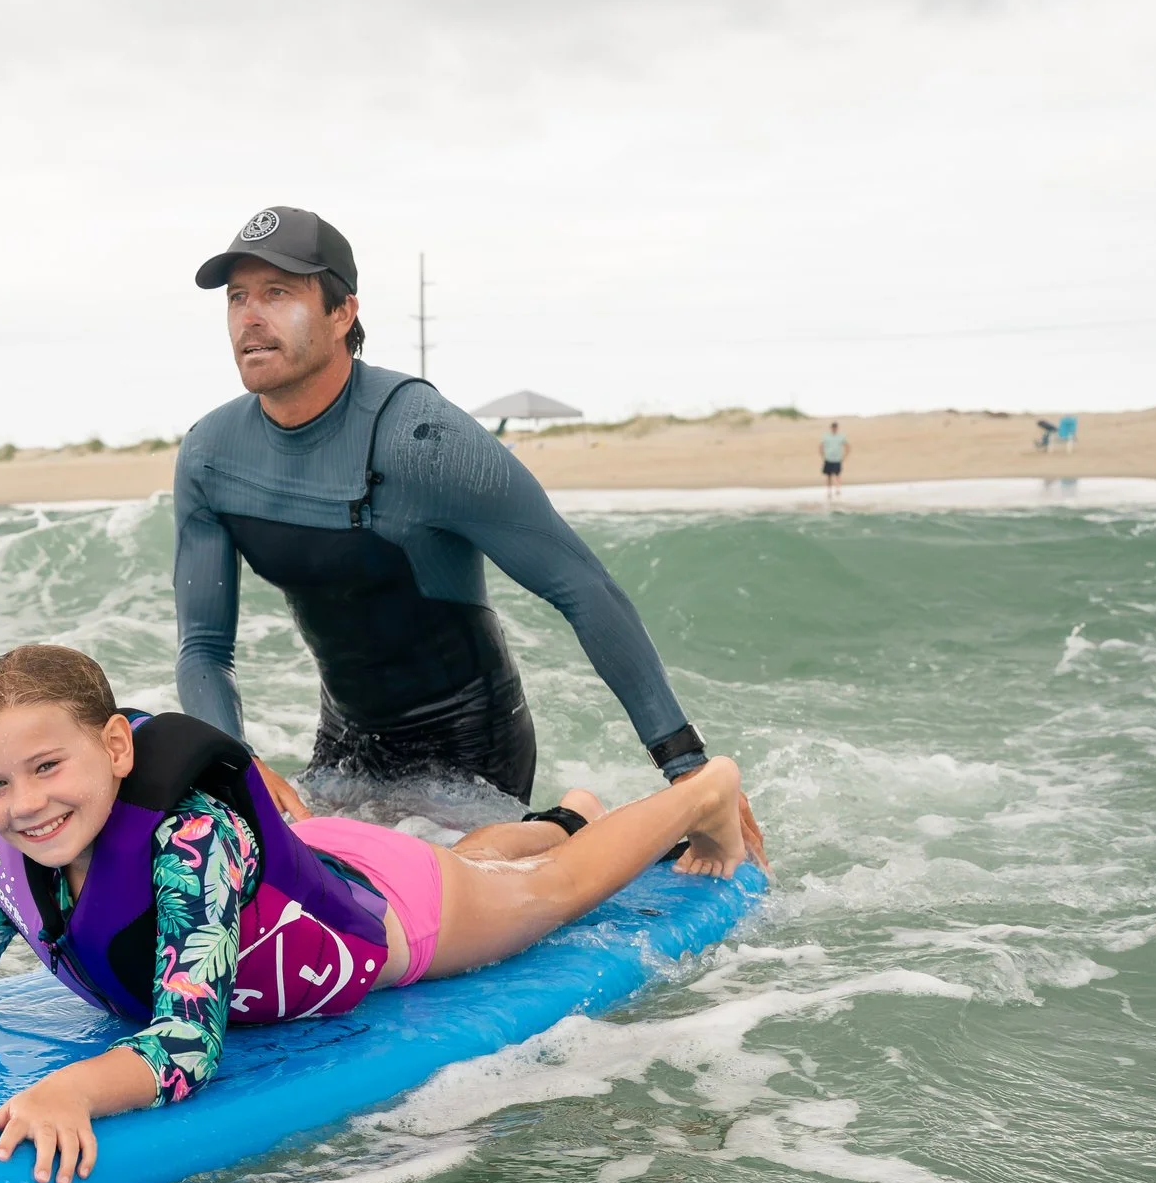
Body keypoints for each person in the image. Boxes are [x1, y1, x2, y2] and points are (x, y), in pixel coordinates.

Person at [0, 645, 755, 1183]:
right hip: (312, 870)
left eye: (46, 766)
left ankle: (699, 790)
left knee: (547, 897)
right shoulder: (11, 848)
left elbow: (185, 1047)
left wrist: (71, 1085)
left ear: (114, 749)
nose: (24, 802)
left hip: (391, 921)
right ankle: (564, 810)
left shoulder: (194, 841)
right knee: (483, 850)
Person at [173, 206, 741, 841]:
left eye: (278, 293)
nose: (250, 316)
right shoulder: (211, 455)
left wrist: (685, 767)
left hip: (470, 750)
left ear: (342, 313)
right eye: (238, 298)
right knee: (300, 874)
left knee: (449, 906)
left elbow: (580, 585)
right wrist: (237, 768)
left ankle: (575, 818)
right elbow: (204, 648)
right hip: (346, 744)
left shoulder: (423, 437)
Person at [819, 421, 849, 500]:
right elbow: (821, 446)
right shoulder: (826, 436)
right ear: (831, 428)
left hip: (837, 458)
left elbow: (847, 446)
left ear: (837, 428)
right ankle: (829, 491)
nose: (834, 429)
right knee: (828, 475)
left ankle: (838, 489)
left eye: (835, 427)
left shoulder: (841, 436)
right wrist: (822, 455)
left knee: (837, 474)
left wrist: (844, 456)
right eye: (833, 427)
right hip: (828, 458)